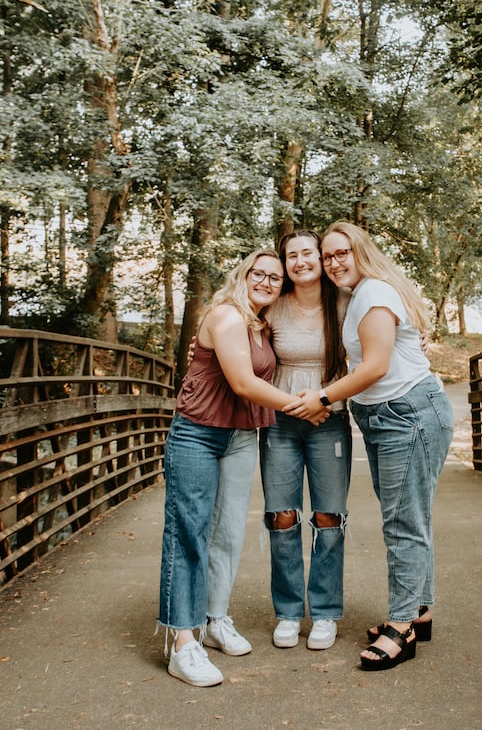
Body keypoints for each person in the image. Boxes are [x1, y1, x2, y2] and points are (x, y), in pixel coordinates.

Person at [284, 220, 453, 671]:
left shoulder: (375, 293)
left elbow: (376, 366)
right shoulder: (353, 296)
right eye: (329, 255)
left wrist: (320, 396)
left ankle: (402, 626)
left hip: (408, 414)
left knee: (402, 523)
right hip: (388, 417)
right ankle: (420, 610)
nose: (335, 262)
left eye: (343, 253)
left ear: (362, 252)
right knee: (409, 516)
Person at [157, 249, 329, 688]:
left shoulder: (260, 324)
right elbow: (243, 383)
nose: (268, 282)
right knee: (189, 532)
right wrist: (306, 407)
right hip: (197, 433)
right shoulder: (228, 317)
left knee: (229, 533)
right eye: (260, 273)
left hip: (239, 436)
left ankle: (215, 620)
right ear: (244, 275)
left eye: (276, 278)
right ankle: (181, 643)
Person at [259, 230, 352, 651]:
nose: (300, 261)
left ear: (320, 258)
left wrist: (324, 404)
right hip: (278, 420)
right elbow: (234, 337)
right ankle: (288, 612)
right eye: (291, 255)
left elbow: (374, 350)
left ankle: (326, 613)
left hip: (328, 420)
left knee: (329, 518)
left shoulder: (345, 303)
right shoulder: (272, 307)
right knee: (282, 517)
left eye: (307, 253)